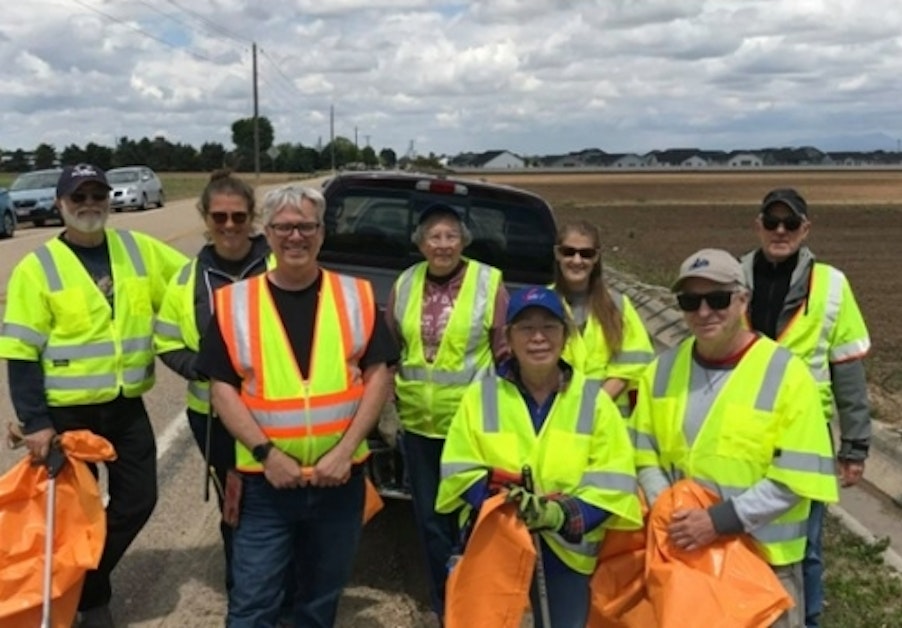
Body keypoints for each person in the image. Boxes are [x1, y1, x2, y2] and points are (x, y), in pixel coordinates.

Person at [195, 184, 398, 628]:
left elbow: (378, 373)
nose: (295, 237)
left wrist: (344, 452)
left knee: (318, 602)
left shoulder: (357, 296)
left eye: (306, 226)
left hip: (339, 483)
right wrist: (267, 455)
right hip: (265, 486)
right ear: (266, 234)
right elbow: (222, 388)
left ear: (321, 233)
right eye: (284, 227)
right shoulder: (234, 304)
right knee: (253, 604)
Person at [0, 163, 187, 628]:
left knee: (137, 501)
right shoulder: (37, 267)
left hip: (124, 407)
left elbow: (192, 281)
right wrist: (36, 420)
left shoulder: (136, 249)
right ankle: (88, 600)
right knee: (71, 515)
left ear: (108, 199)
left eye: (96, 195)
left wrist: (257, 262)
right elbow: (21, 352)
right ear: (60, 204)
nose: (89, 205)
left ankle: (87, 580)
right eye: (78, 197)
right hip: (66, 416)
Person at [631, 248, 839, 628]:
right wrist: (671, 513)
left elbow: (796, 477)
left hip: (764, 566)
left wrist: (718, 521)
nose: (704, 312)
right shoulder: (659, 372)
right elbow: (644, 451)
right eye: (690, 301)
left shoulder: (786, 375)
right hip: (687, 559)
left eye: (718, 298)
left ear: (743, 299)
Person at [437, 286, 642, 627]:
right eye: (525, 328)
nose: (538, 338)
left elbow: (614, 482)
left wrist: (559, 514)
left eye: (549, 327)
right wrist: (506, 505)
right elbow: (460, 469)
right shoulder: (481, 396)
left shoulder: (594, 402)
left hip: (567, 557)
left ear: (565, 336)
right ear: (509, 338)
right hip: (496, 547)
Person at [740, 188, 872, 628]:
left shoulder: (832, 285)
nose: (780, 231)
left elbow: (848, 371)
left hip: (806, 436)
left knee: (806, 545)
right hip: (742, 433)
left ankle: (807, 619)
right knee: (745, 536)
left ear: (805, 229)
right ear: (758, 224)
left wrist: (854, 446)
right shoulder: (734, 280)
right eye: (772, 222)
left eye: (790, 223)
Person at [384, 202, 510, 620]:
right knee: (432, 522)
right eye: (434, 237)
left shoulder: (490, 283)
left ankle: (477, 600)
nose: (443, 245)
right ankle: (447, 605)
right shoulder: (404, 283)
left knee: (474, 518)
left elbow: (505, 353)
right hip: (419, 426)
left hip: (472, 427)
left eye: (451, 236)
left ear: (464, 241)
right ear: (420, 244)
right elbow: (393, 348)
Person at [153, 169, 272, 592]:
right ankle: (244, 589)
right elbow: (166, 341)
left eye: (238, 217)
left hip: (280, 414)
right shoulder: (187, 280)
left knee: (280, 503)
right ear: (205, 217)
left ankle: (284, 587)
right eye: (219, 217)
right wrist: (201, 369)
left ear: (253, 217)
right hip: (215, 419)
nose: (229, 226)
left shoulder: (281, 265)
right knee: (236, 504)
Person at [552, 220, 655, 416]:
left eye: (586, 254)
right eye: (568, 252)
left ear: (596, 257)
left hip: (609, 424)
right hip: (558, 421)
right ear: (557, 253)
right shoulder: (544, 306)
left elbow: (632, 366)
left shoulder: (619, 306)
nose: (576, 260)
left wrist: (590, 409)